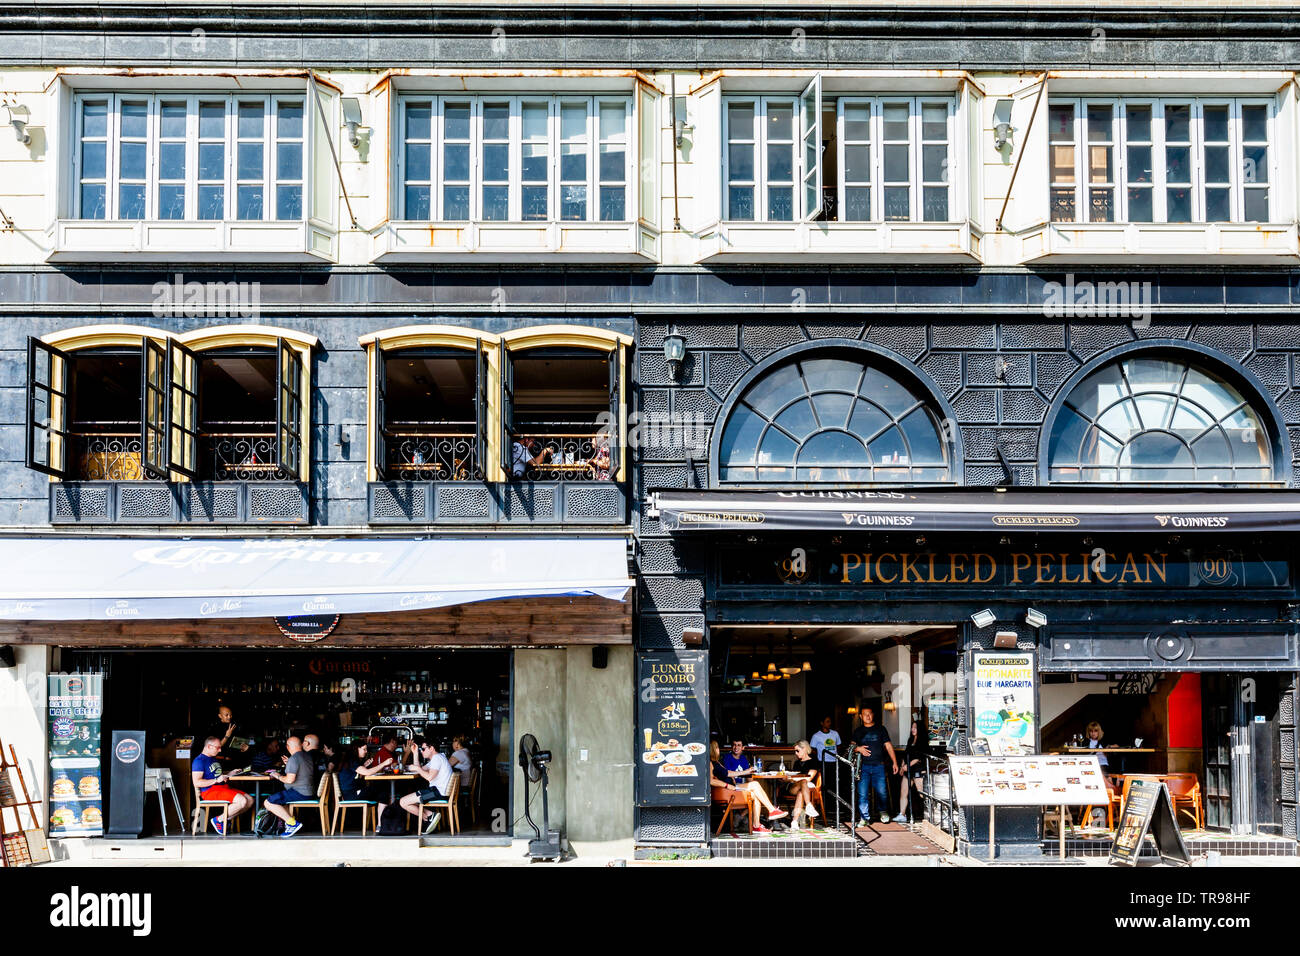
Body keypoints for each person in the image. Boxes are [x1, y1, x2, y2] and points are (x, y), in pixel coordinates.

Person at [190, 736, 253, 836]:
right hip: (210, 791)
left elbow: (215, 774)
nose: (220, 750)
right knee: (242, 801)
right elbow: (197, 782)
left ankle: (224, 820)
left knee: (249, 800)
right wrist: (216, 780)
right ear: (209, 746)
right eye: (218, 747)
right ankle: (218, 820)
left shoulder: (212, 758)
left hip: (223, 788)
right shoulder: (199, 761)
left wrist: (229, 773)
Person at [719, 739, 787, 828]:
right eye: (734, 745)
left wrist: (753, 785)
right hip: (731, 787)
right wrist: (752, 784)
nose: (736, 747)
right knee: (755, 786)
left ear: (743, 748)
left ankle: (754, 823)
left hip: (739, 786)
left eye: (739, 745)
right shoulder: (727, 757)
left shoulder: (743, 758)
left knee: (757, 791)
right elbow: (728, 774)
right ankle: (771, 810)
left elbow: (748, 776)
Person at [263, 736, 317, 838]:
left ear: (288, 747)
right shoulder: (306, 756)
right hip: (309, 792)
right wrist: (290, 763)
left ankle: (292, 824)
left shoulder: (294, 758)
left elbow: (289, 780)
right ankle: (288, 824)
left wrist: (276, 775)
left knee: (268, 802)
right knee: (281, 802)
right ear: (300, 745)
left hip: (300, 793)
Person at [852, 708, 899, 826]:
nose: (867, 716)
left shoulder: (881, 729)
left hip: (879, 765)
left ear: (873, 715)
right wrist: (859, 749)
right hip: (863, 767)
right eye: (865, 715)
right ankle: (864, 818)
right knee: (862, 793)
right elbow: (851, 748)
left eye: (869, 714)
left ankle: (883, 812)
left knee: (882, 791)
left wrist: (895, 762)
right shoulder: (857, 731)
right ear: (860, 717)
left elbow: (888, 746)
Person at [399, 735, 453, 834]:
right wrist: (415, 753)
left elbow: (429, 777)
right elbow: (420, 769)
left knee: (403, 802)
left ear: (431, 748)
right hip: (437, 792)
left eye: (423, 749)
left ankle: (429, 816)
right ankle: (429, 816)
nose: (421, 751)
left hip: (436, 793)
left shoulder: (436, 758)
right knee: (406, 801)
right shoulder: (438, 757)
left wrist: (417, 769)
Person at [895, 713, 931, 823]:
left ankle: (930, 815)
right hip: (908, 770)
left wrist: (907, 766)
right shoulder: (910, 740)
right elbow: (906, 754)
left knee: (922, 794)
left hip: (918, 770)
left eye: (915, 727)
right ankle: (902, 814)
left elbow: (918, 758)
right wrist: (902, 766)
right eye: (912, 727)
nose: (912, 729)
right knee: (903, 792)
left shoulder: (923, 741)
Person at [787, 740, 821, 829]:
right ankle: (809, 805)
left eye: (797, 751)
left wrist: (795, 779)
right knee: (803, 782)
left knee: (801, 791)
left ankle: (794, 821)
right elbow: (793, 779)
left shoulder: (813, 761)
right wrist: (792, 779)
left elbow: (809, 778)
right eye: (795, 751)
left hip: (808, 788)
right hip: (795, 787)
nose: (796, 753)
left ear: (805, 749)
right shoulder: (797, 763)